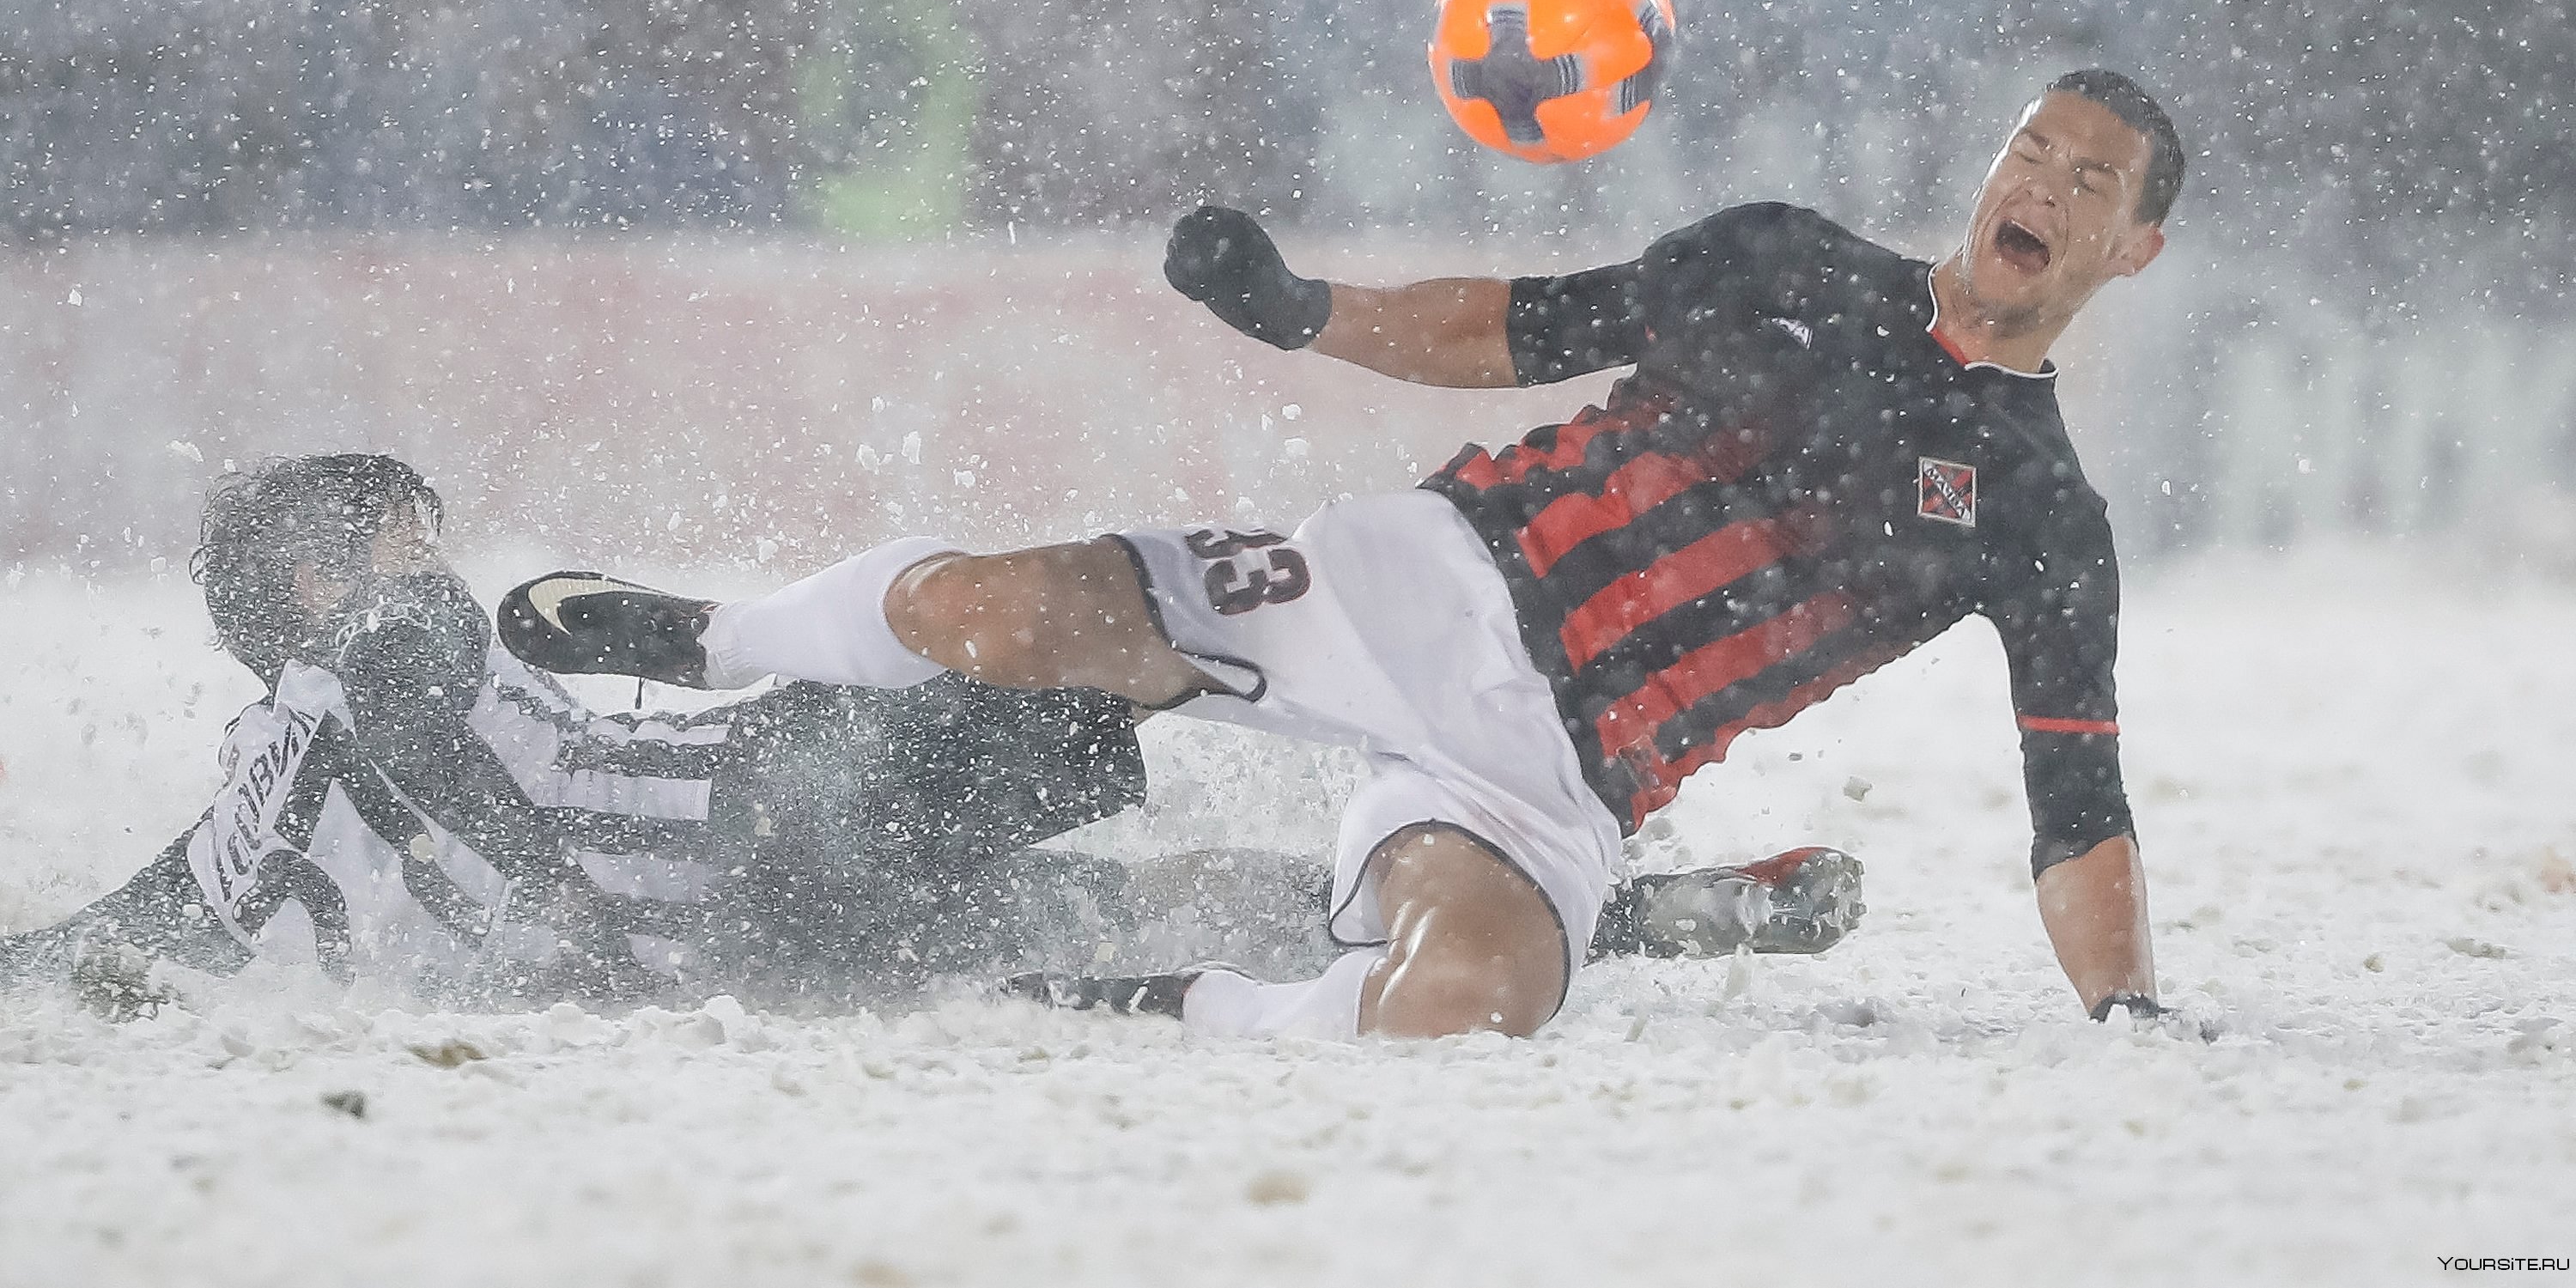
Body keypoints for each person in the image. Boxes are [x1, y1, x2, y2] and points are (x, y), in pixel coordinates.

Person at [509, 73, 2176, 1047]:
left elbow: (2079, 814)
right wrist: (1300, 312)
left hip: (1561, 778)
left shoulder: (2045, 518)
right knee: (991, 611)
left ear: (2134, 248)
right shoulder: (1783, 261)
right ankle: (716, 635)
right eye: (2034, 145)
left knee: (1462, 1004)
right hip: (1419, 577)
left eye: (2091, 179)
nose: (2043, 180)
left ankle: (1180, 1001)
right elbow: (1514, 331)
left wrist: (2131, 1025)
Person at [3, 456, 1848, 1012]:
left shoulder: (377, 723)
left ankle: (1581, 902)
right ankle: (1527, 824)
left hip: (754, 914)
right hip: (765, 818)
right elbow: (185, 905)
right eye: (379, 541)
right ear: (308, 600)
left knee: (1147, 904)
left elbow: (221, 907)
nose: (422, 556)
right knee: (1111, 664)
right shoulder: (337, 693)